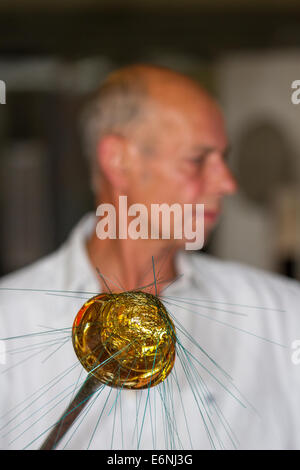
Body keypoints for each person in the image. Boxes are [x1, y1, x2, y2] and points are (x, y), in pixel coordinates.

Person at [0, 64, 300, 450]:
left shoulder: (285, 317)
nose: (227, 183)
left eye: (224, 158)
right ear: (118, 160)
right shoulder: (9, 321)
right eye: (198, 159)